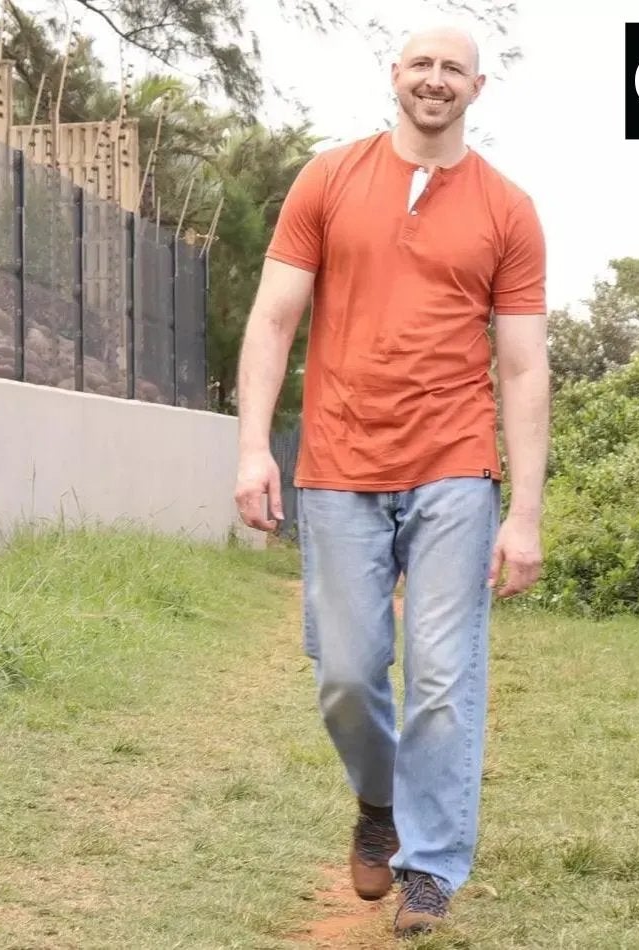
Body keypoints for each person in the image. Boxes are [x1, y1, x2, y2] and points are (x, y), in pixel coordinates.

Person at [226, 24, 546, 938]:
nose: (434, 80)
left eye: (453, 68)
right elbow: (274, 316)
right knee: (348, 671)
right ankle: (378, 800)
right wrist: (255, 447)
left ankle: (430, 868)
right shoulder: (326, 180)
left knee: (444, 678)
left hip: (454, 465)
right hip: (335, 465)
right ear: (393, 77)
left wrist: (522, 512)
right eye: (420, 65)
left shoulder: (508, 209)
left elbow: (522, 367)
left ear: (476, 89)